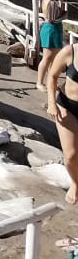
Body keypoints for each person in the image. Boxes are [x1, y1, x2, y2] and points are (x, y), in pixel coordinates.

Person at [46, 38, 78, 204]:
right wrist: (51, 103)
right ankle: (75, 183)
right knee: (71, 155)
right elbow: (52, 76)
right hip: (67, 106)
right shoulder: (70, 52)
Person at [36, 0, 67, 89]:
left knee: (53, 59)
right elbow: (52, 20)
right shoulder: (51, 2)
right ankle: (40, 83)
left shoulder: (47, 0)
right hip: (51, 30)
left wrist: (61, 3)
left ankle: (50, 82)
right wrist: (64, 16)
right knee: (47, 58)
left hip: (52, 30)